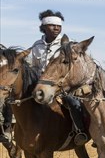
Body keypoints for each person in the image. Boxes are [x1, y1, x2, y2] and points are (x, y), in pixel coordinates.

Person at [29, 10, 88, 145]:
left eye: (59, 26)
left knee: (72, 101)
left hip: (62, 84)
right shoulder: (37, 45)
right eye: (52, 25)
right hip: (43, 83)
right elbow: (35, 67)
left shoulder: (69, 44)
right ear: (43, 28)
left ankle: (80, 131)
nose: (56, 28)